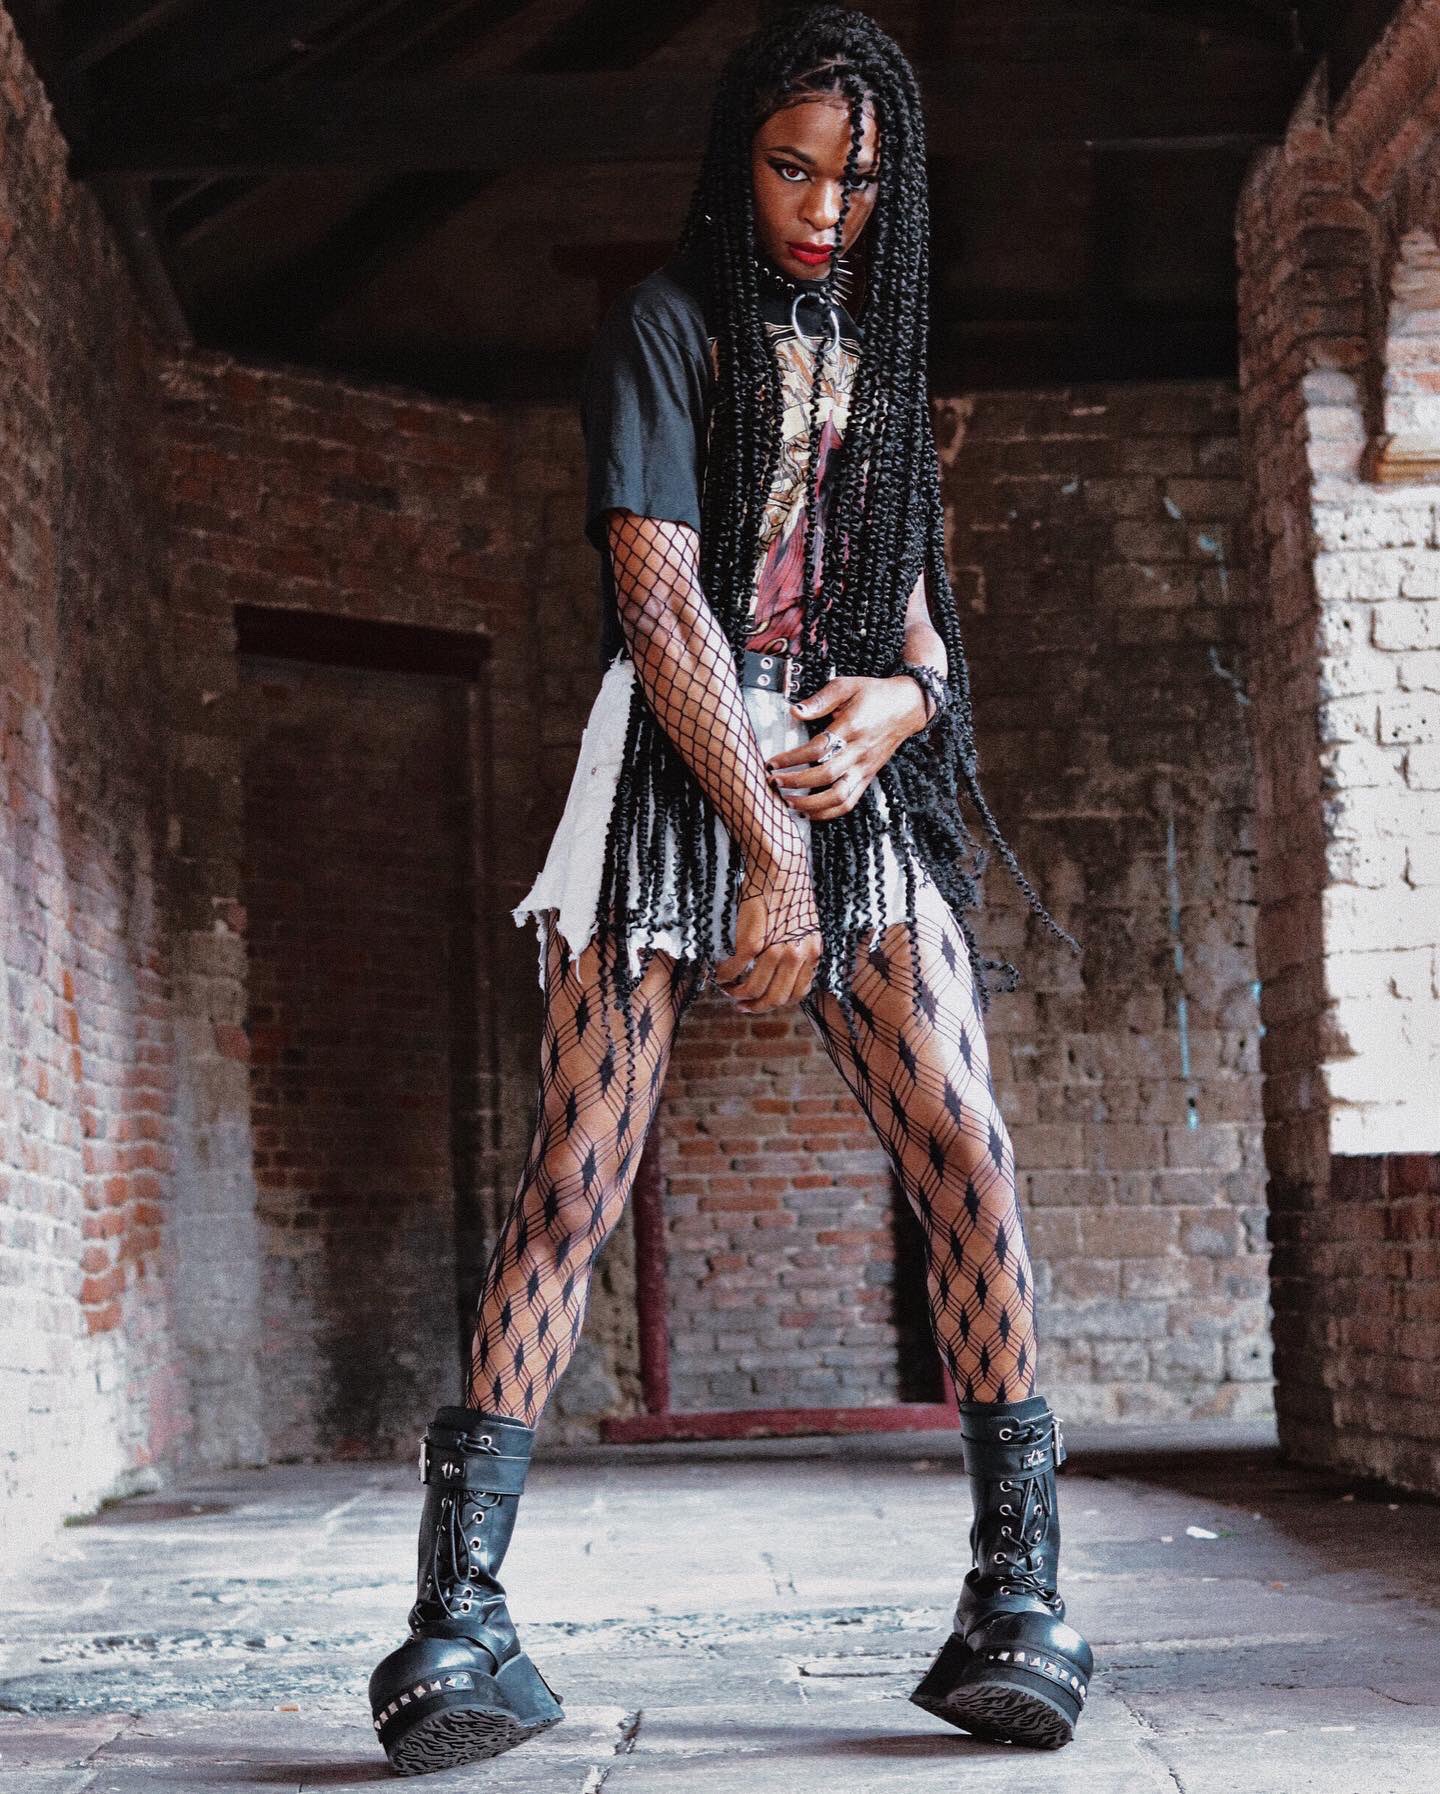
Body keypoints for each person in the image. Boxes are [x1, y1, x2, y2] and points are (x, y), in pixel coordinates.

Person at [367, 4, 1093, 1775]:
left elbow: (918, 621)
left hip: (848, 768)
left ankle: (1019, 1598)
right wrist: (769, 848)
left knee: (968, 1149)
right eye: (792, 168)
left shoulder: (883, 347)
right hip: (679, 761)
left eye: (859, 178)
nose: (827, 208)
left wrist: (905, 703)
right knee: (576, 1173)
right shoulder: (665, 323)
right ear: (735, 158)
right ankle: (457, 1622)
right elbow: (661, 602)